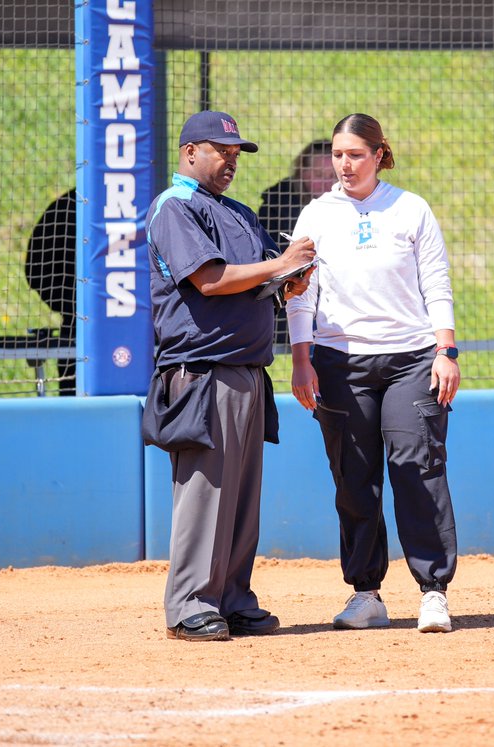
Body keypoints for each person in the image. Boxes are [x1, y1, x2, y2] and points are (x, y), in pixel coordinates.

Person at [144, 110, 316, 642]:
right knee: (206, 495)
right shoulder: (174, 207)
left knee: (241, 500)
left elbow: (256, 283)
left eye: (236, 153)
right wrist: (280, 264)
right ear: (190, 151)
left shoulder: (238, 212)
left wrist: (288, 279)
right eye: (222, 151)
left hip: (248, 369)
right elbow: (211, 280)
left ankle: (233, 599)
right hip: (202, 371)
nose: (231, 161)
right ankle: (190, 605)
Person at [286, 113, 460, 634]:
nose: (345, 164)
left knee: (417, 467)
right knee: (354, 478)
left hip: (411, 358)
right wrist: (301, 359)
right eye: (338, 154)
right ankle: (366, 594)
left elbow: (436, 281)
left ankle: (433, 592)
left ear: (379, 154)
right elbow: (301, 294)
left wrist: (446, 350)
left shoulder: (410, 208)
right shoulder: (315, 214)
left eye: (356, 154)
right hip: (339, 363)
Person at [257, 140, 336, 349]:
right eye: (318, 175)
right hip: (287, 304)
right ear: (302, 173)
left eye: (332, 176)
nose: (326, 183)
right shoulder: (277, 204)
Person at [24, 188, 77, 395]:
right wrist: (71, 306)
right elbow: (34, 270)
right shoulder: (67, 207)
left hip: (73, 324)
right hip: (73, 327)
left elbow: (33, 271)